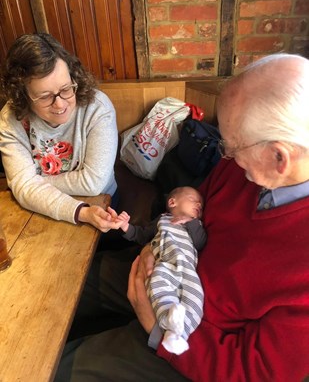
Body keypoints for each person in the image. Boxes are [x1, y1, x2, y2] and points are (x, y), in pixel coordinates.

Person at [55, 53, 309, 382]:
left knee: (59, 370)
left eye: (232, 147)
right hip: (168, 264)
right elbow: (189, 206)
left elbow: (253, 372)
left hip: (188, 338)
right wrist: (153, 245)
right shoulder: (244, 168)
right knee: (68, 284)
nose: (227, 156)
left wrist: (159, 332)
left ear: (279, 157)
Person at [0, 33, 122, 231]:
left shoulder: (98, 107)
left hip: (100, 203)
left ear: (74, 77)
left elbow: (93, 183)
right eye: (45, 96)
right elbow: (23, 186)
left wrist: (33, 183)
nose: (60, 104)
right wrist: (80, 212)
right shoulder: (10, 119)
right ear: (22, 94)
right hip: (39, 209)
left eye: (66, 89)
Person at [117, 186, 207, 354]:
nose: (199, 205)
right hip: (165, 264)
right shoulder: (162, 220)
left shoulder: (195, 225)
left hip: (187, 268)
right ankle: (170, 325)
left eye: (201, 205)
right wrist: (125, 227)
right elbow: (142, 235)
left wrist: (191, 222)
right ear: (172, 202)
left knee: (195, 298)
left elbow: (200, 243)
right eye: (193, 200)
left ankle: (180, 332)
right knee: (158, 286)